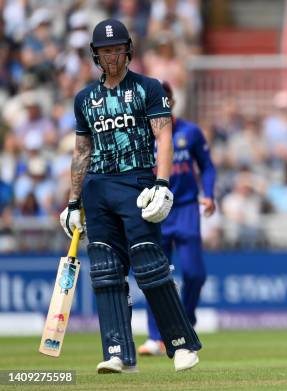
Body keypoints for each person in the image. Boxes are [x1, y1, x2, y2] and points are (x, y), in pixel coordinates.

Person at [59, 19, 201, 373]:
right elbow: (81, 151)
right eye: (105, 50)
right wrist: (73, 201)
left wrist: (163, 183)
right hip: (96, 187)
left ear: (128, 51)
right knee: (106, 273)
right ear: (96, 54)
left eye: (117, 49)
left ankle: (181, 345)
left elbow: (163, 137)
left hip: (136, 183)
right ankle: (119, 352)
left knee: (150, 265)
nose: (111, 56)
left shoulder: (148, 88)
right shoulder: (85, 99)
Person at [138, 81, 216, 356]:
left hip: (184, 208)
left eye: (166, 98)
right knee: (155, 276)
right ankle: (154, 336)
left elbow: (207, 166)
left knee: (194, 274)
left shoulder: (190, 132)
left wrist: (209, 194)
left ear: (172, 101)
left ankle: (186, 321)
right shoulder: (142, 134)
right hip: (154, 211)